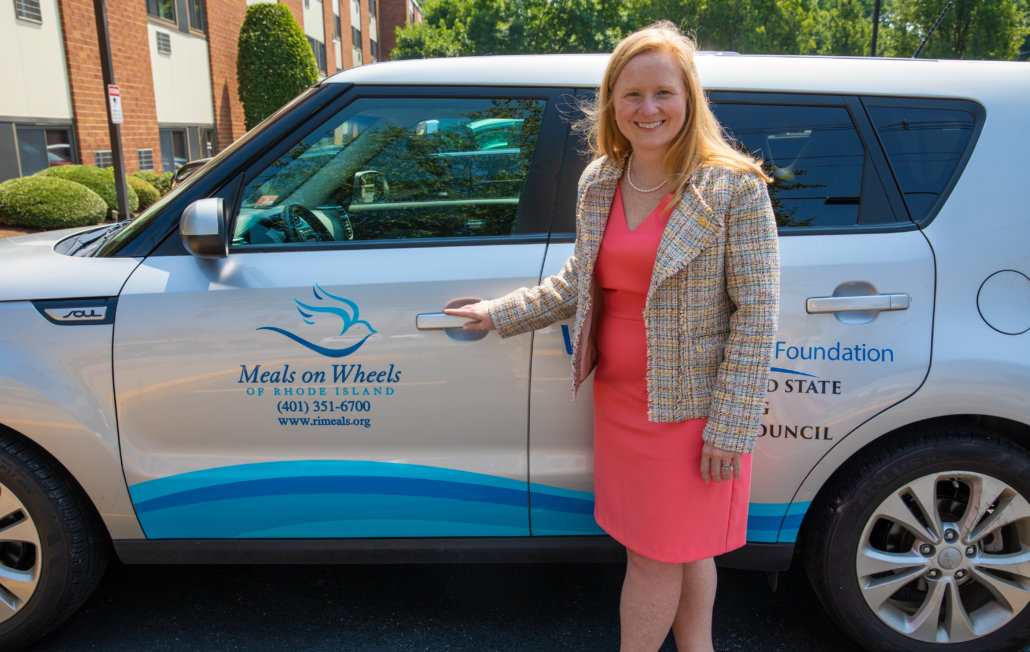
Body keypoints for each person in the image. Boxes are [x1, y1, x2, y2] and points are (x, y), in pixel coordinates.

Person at [445, 21, 779, 652]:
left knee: (656, 557)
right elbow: (578, 282)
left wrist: (730, 427)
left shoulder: (732, 187)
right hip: (622, 401)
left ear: (689, 99)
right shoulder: (601, 180)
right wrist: (501, 312)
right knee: (681, 546)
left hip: (690, 410)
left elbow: (757, 317)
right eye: (631, 95)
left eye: (663, 93)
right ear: (612, 103)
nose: (647, 108)